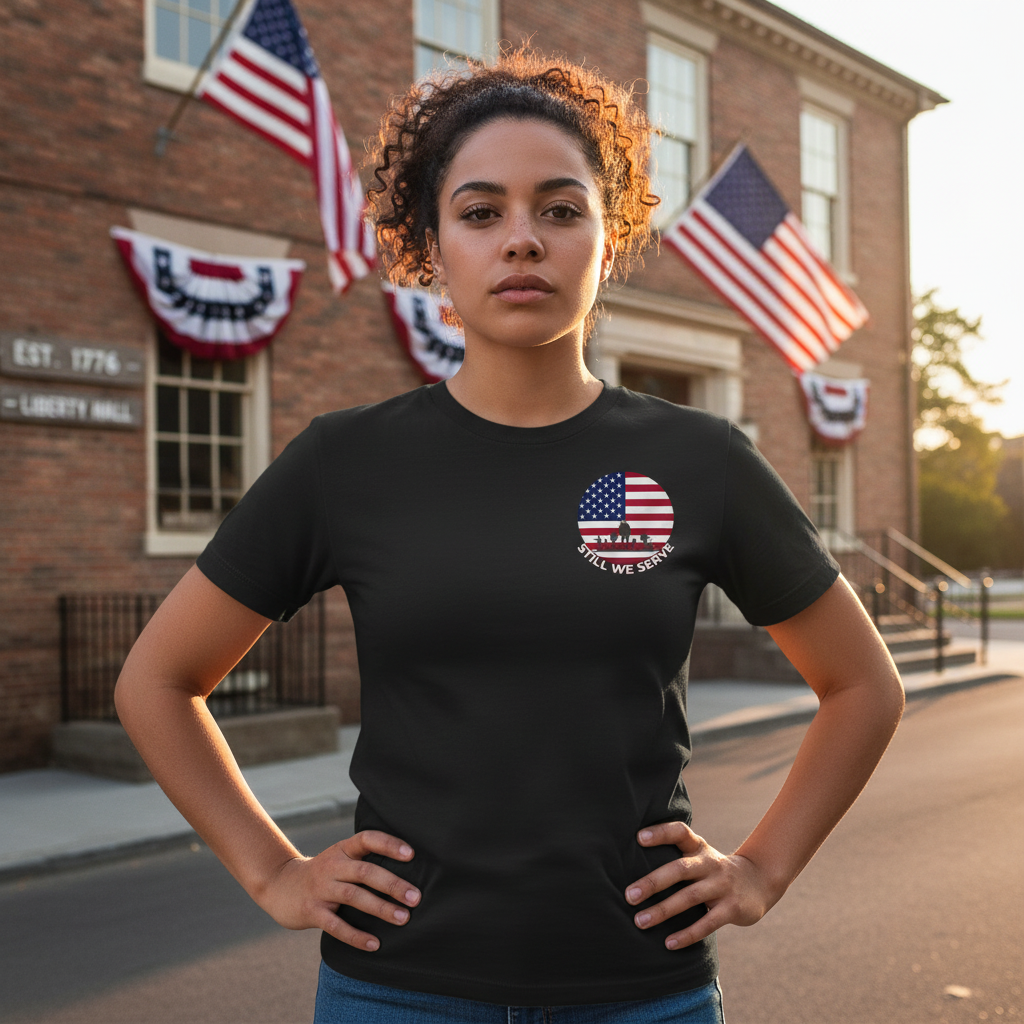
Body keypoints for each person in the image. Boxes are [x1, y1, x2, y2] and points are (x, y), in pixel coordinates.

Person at [115, 49, 905, 1024]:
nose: (521, 240)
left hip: (640, 993)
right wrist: (274, 871)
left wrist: (760, 870)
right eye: (481, 212)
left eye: (560, 209)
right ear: (431, 247)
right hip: (398, 989)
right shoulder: (345, 462)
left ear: (608, 242)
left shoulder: (698, 460)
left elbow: (862, 685)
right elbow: (156, 679)